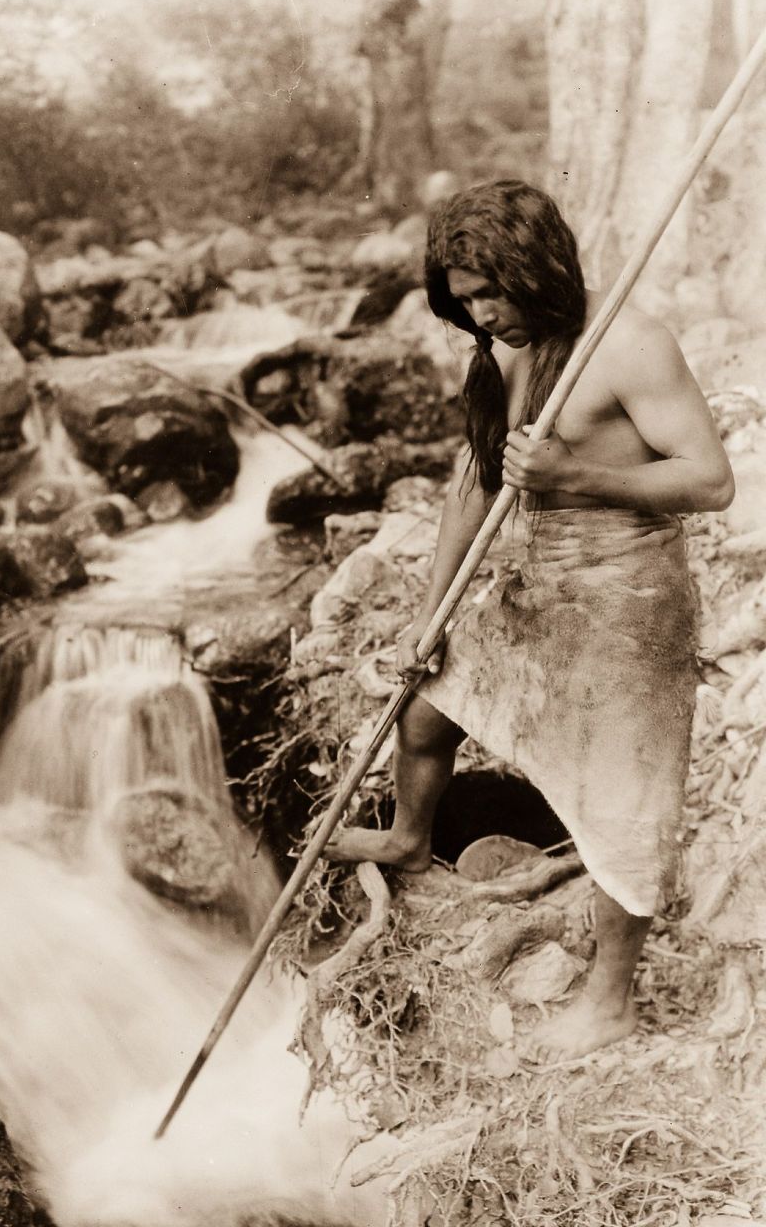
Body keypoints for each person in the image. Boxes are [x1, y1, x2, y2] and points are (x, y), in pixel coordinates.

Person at [324, 180, 734, 1059]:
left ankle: (611, 1000)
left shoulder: (628, 343)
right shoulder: (505, 350)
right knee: (427, 704)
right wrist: (428, 614)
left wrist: (577, 477)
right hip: (537, 588)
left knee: (625, 807)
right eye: (463, 298)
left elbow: (708, 480)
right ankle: (407, 839)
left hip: (632, 604)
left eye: (488, 292)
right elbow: (477, 483)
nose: (479, 313)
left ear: (534, 268)